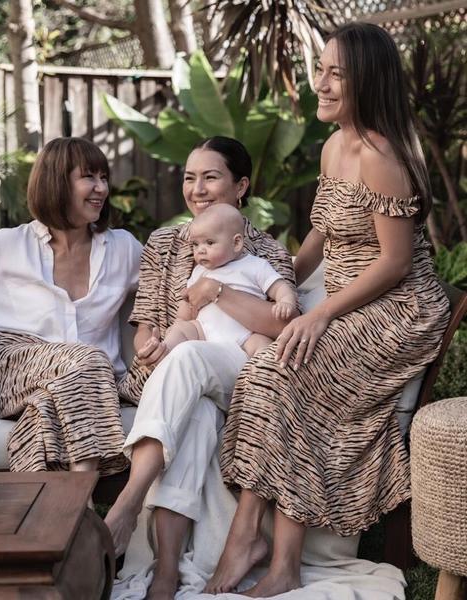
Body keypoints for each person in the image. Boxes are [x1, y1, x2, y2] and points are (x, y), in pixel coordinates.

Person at [205, 23, 451, 597]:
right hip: (348, 299)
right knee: (268, 371)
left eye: (336, 73)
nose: (320, 83)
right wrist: (283, 282)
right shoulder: (334, 144)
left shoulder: (382, 156)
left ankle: (272, 556)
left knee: (292, 369)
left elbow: (394, 262)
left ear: (367, 80)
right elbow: (321, 230)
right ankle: (254, 538)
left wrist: (318, 315)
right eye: (321, 69)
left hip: (399, 309)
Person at [105, 136, 297, 599]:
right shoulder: (164, 243)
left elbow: (280, 326)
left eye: (210, 177)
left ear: (241, 186)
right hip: (179, 369)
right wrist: (151, 347)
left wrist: (217, 292)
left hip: (239, 370)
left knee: (189, 358)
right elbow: (147, 326)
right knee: (196, 416)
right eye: (190, 178)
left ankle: (129, 500)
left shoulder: (265, 252)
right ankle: (167, 571)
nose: (197, 189)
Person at [0, 137, 142, 477]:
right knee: (90, 359)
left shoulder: (123, 249)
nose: (101, 188)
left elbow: (166, 284)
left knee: (48, 406)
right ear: (57, 183)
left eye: (104, 177)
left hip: (84, 382)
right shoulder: (8, 245)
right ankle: (84, 491)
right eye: (89, 177)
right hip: (11, 366)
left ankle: (64, 504)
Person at [159, 203, 297, 358]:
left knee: (264, 346)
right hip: (204, 332)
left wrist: (286, 302)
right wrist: (179, 321)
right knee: (180, 330)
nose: (200, 250)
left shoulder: (255, 265)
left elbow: (279, 287)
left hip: (245, 335)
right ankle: (162, 353)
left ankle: (256, 372)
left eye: (209, 242)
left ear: (236, 243)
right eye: (195, 244)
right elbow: (188, 302)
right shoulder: (199, 272)